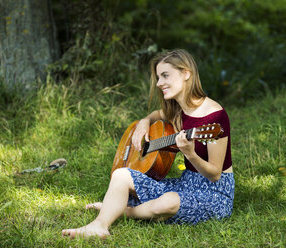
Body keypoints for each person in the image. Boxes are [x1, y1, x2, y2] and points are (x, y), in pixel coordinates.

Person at [62, 49, 234, 239]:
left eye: (165, 76)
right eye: (158, 77)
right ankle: (99, 225)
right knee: (121, 174)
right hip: (186, 184)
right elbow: (157, 115)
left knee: (167, 202)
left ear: (186, 73)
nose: (160, 83)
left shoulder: (215, 116)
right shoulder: (177, 109)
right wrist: (144, 122)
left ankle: (124, 210)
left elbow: (216, 174)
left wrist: (191, 154)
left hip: (214, 193)